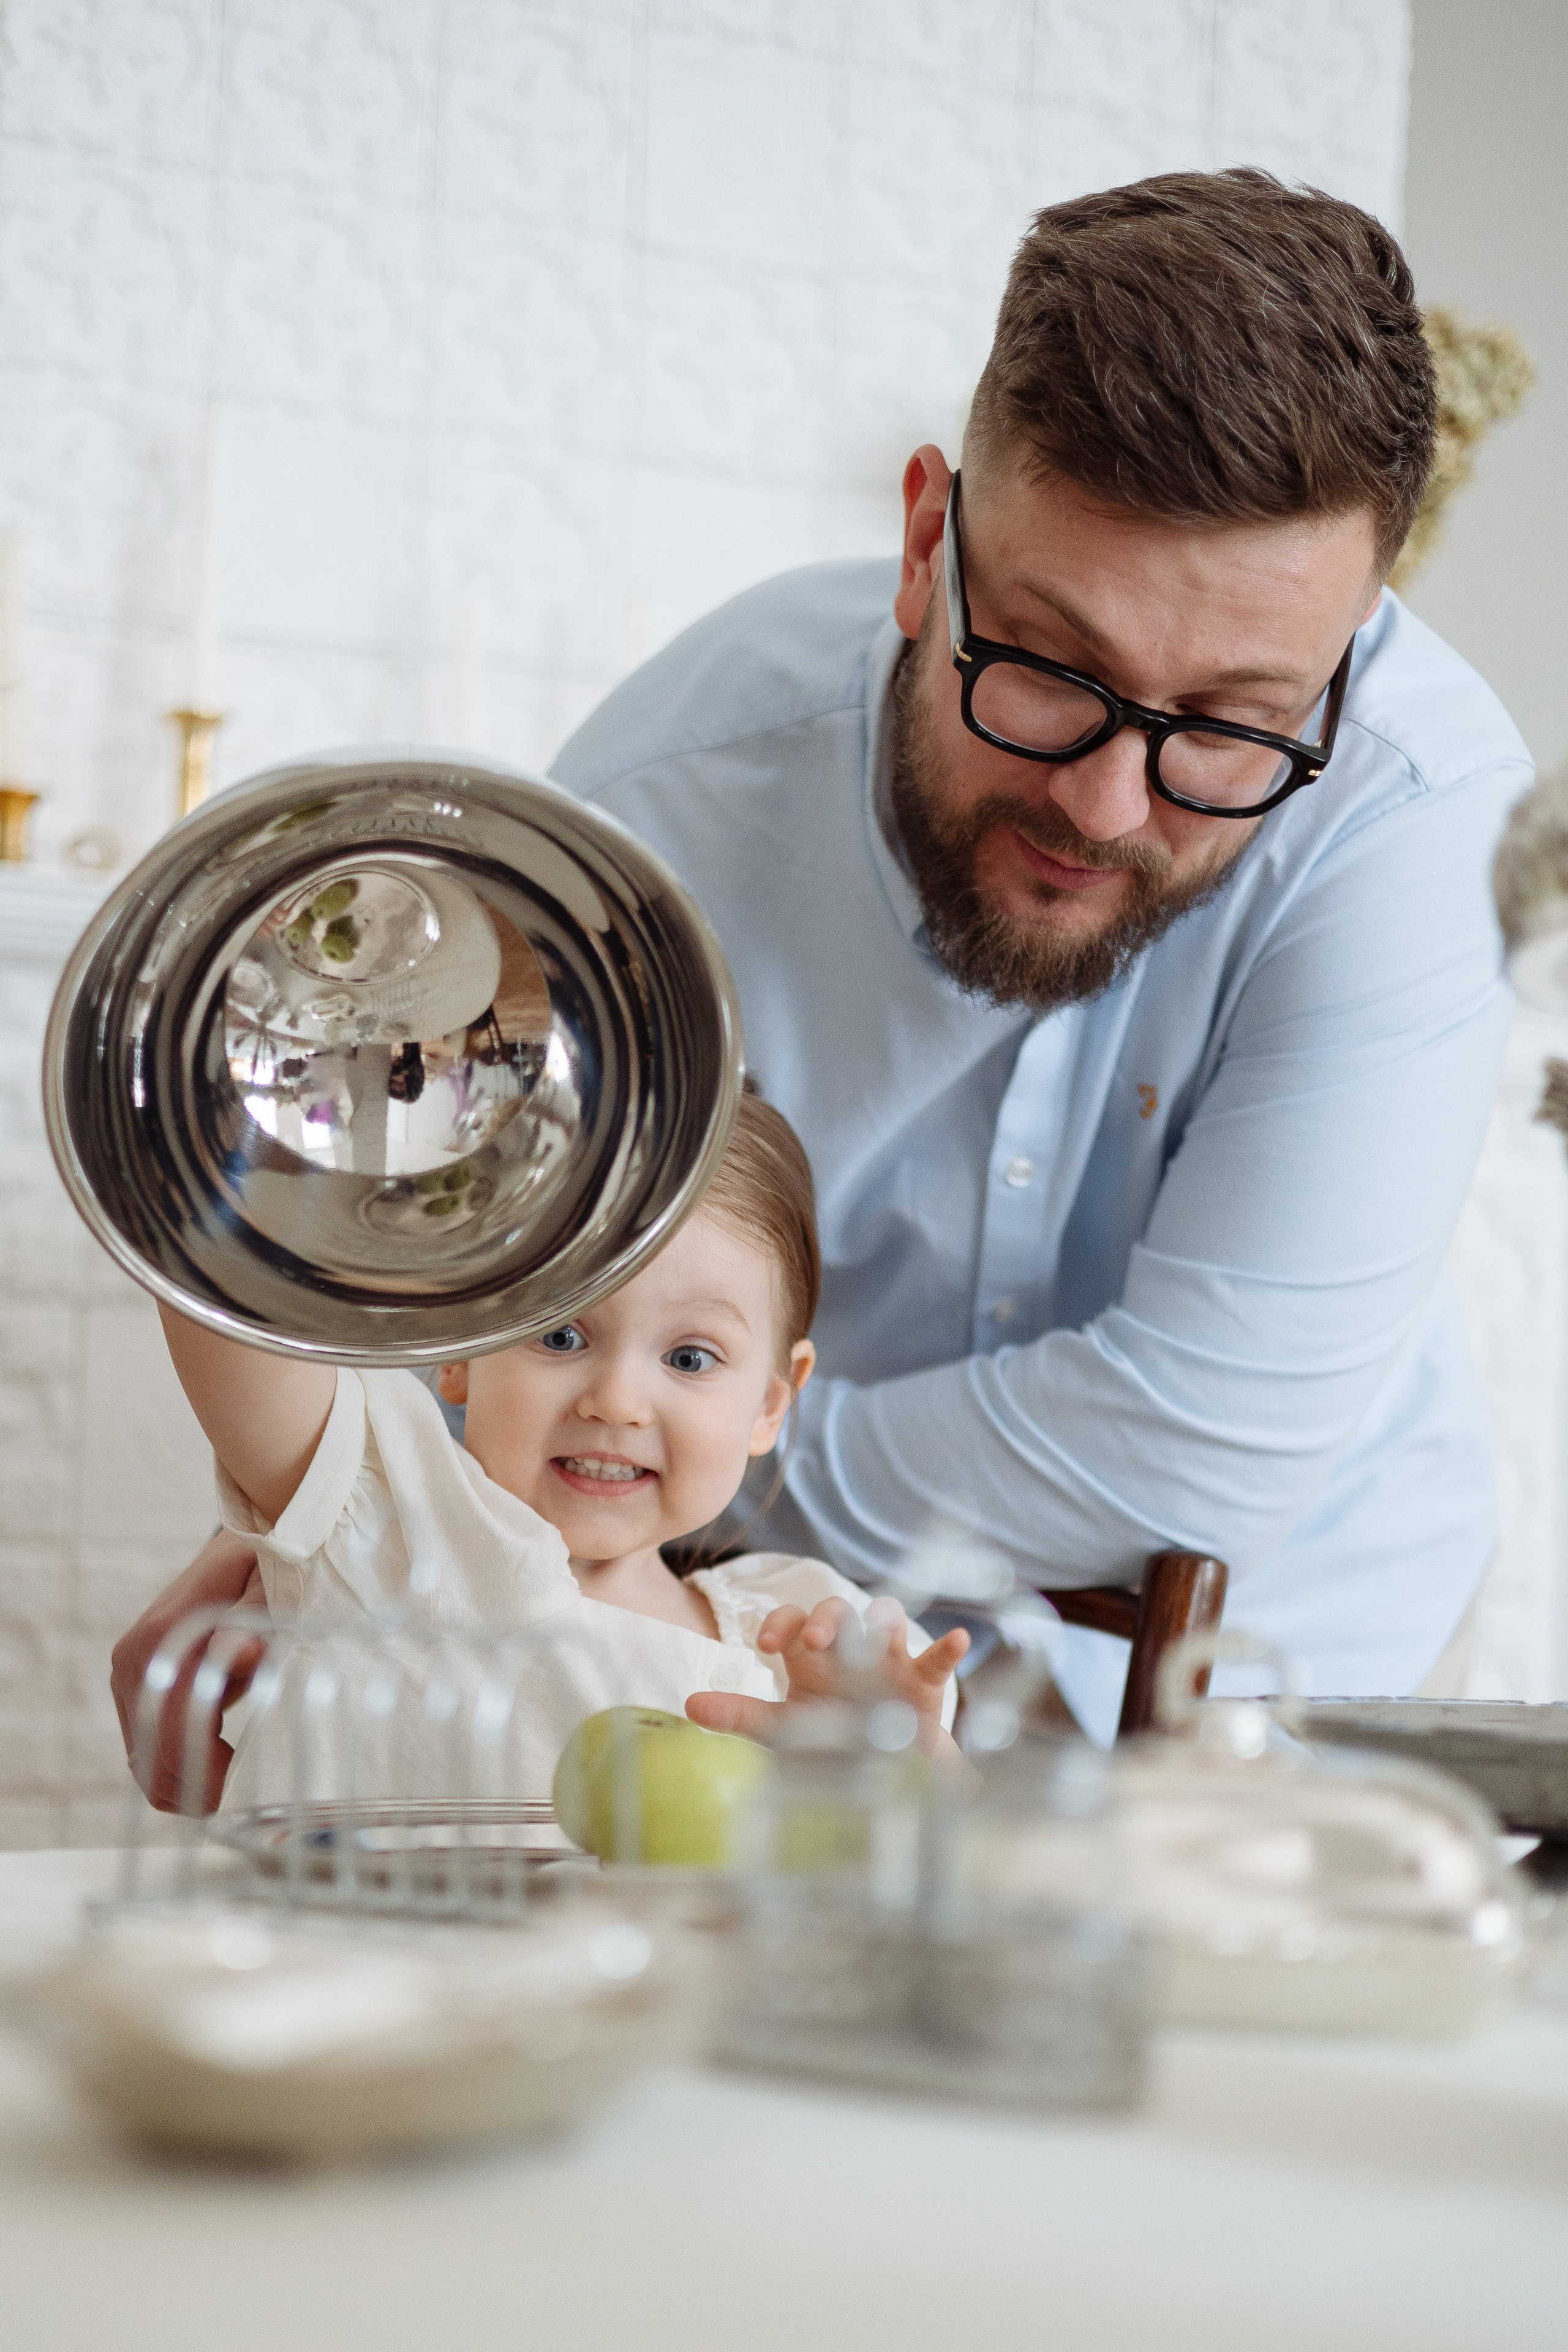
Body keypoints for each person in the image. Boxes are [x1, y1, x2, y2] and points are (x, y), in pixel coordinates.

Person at [116, 168, 1532, 1759]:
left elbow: (1202, 1443)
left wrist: (546, 1468)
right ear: (928, 539)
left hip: (1287, 1668)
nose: (1108, 802)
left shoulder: (1419, 815)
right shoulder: (659, 817)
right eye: (1056, 674)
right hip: (738, 1675)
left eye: (1233, 726)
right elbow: (466, 1283)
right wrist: (370, 1512)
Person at [147, 1090, 965, 1809]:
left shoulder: (806, 1639)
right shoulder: (389, 1520)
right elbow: (217, 1282)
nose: (615, 1401)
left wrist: (910, 1767)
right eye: (562, 1332)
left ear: (769, 1405)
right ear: (461, 1348)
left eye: (690, 1358)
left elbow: (968, 1890)